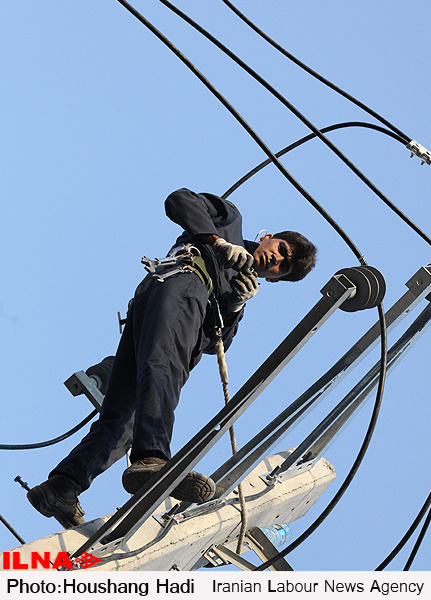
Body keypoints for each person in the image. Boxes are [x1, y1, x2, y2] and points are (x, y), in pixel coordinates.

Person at [27, 188, 317, 529]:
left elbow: (213, 345)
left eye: (283, 268)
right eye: (281, 249)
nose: (277, 260)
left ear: (276, 280)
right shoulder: (231, 223)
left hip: (163, 303)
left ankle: (62, 486)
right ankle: (152, 457)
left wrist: (236, 304)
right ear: (268, 238)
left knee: (124, 418)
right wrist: (217, 242)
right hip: (179, 285)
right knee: (165, 367)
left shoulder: (239, 288)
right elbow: (180, 199)